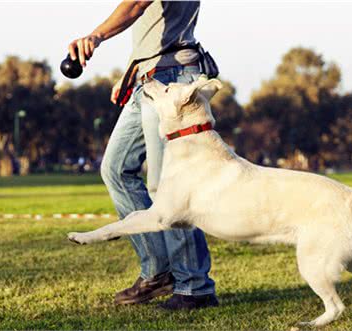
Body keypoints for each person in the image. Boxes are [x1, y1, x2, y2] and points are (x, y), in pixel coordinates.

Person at [67, 0, 217, 310]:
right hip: (149, 76)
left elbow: (136, 5)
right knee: (116, 169)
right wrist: (133, 70)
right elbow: (154, 27)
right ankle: (158, 272)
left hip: (172, 79)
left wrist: (95, 36)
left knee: (168, 188)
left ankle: (194, 286)